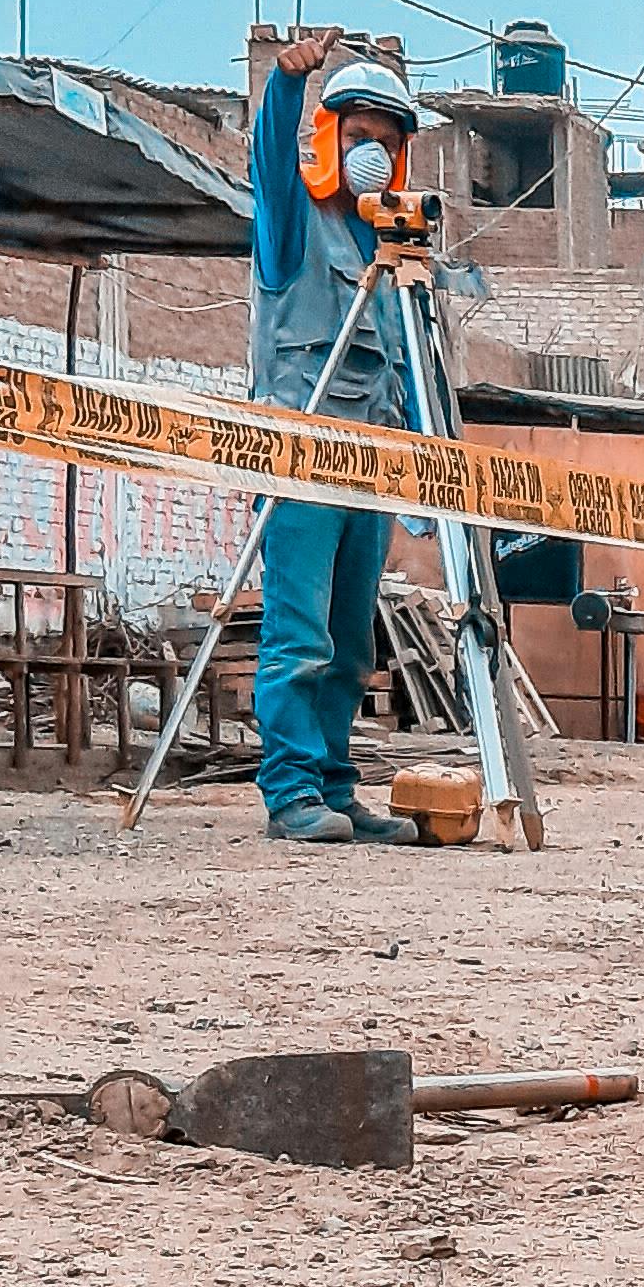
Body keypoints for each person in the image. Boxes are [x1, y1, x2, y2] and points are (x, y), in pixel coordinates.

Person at [247, 42, 431, 844]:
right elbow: (267, 164)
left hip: (371, 473)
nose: (373, 155)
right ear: (330, 136)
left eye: (387, 144)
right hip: (300, 463)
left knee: (353, 644)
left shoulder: (388, 250)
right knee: (300, 638)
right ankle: (288, 790)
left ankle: (335, 784)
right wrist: (288, 83)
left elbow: (410, 371)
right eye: (359, 135)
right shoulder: (294, 228)